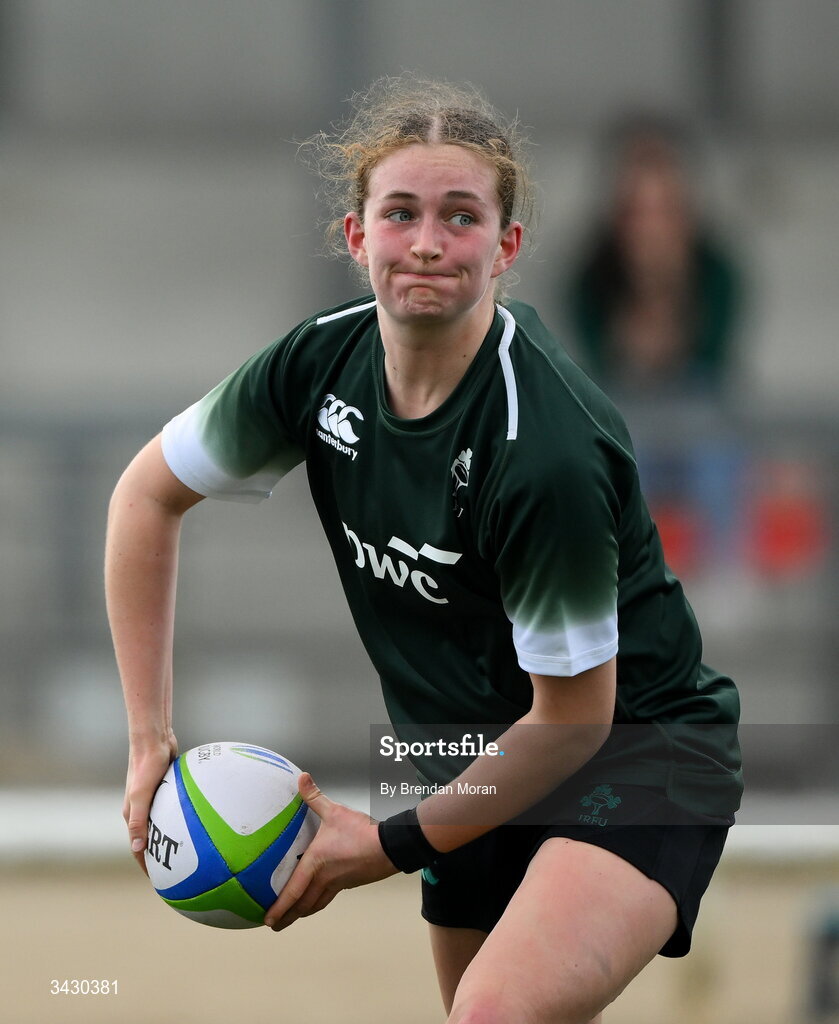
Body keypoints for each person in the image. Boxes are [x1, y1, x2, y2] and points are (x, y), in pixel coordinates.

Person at [105, 76, 742, 1024]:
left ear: (506, 246)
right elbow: (145, 498)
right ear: (356, 236)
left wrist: (391, 843)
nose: (429, 243)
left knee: (492, 1015)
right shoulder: (316, 366)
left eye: (461, 216)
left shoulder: (544, 449)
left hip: (634, 752)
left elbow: (572, 721)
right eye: (399, 213)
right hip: (452, 750)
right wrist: (148, 738)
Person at [564, 114, 743, 399]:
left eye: (665, 212)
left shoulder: (719, 276)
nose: (651, 232)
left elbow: (716, 370)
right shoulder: (588, 282)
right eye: (637, 214)